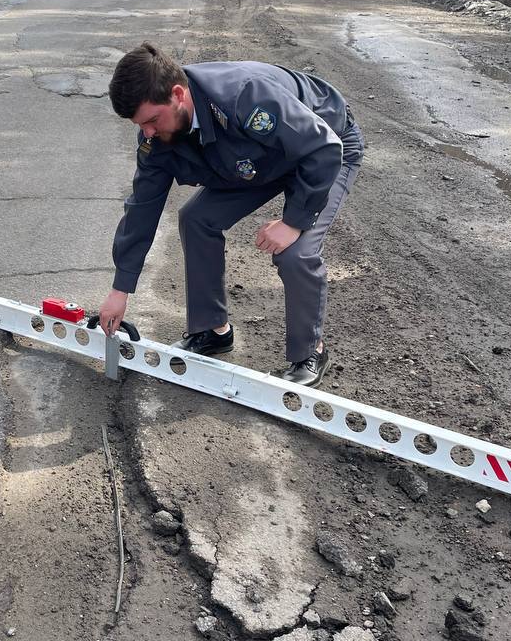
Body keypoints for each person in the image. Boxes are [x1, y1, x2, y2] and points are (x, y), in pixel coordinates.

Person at [96, 44, 364, 388]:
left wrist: (293, 222)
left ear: (178, 94)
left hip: (323, 149)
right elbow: (142, 207)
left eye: (151, 120)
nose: (147, 131)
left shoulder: (243, 96)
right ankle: (212, 330)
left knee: (296, 252)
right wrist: (121, 288)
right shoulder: (157, 137)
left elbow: (323, 148)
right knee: (196, 219)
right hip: (258, 161)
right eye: (140, 124)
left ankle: (310, 352)